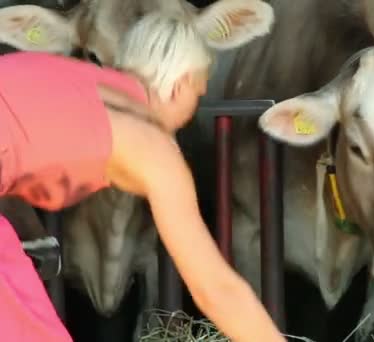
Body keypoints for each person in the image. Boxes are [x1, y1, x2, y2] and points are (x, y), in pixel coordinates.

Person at [0, 12, 286, 342]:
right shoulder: (150, 144)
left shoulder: (79, 81)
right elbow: (216, 288)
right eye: (199, 94)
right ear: (181, 86)